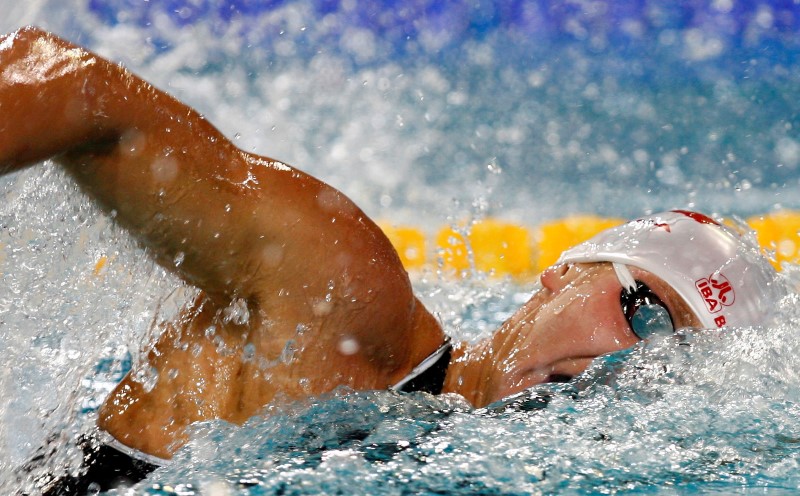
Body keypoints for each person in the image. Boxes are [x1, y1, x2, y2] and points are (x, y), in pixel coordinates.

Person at [0, 27, 785, 494]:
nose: (625, 367)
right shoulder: (345, 302)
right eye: (644, 314)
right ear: (563, 273)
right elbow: (77, 89)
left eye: (673, 367)